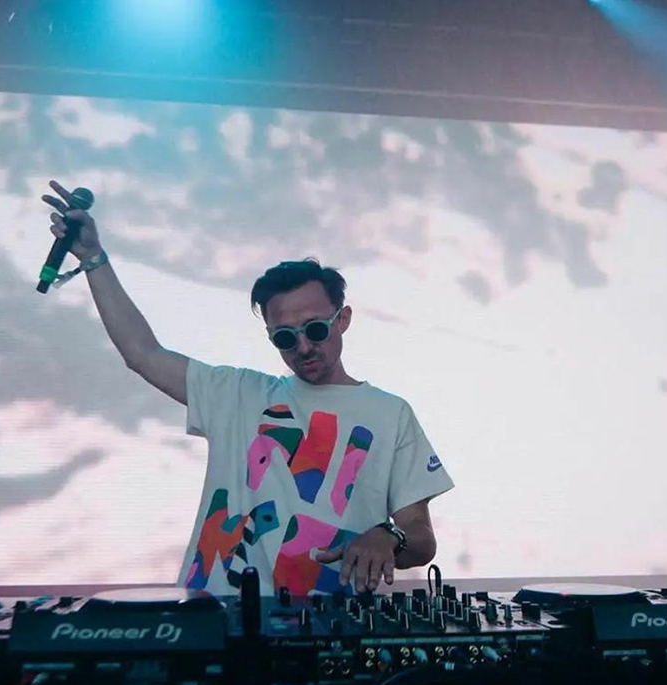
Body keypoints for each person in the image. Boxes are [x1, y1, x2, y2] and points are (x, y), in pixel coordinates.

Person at [42, 181, 452, 595]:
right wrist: (93, 259)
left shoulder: (391, 414)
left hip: (329, 623)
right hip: (214, 616)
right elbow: (142, 352)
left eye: (315, 329)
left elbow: (421, 538)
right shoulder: (238, 394)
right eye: (285, 337)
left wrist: (389, 536)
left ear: (343, 319)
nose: (303, 347)